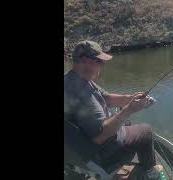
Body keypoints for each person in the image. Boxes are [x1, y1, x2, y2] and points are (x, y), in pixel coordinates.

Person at [64, 40, 164, 179]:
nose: (102, 66)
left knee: (125, 123)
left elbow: (106, 97)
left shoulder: (73, 79)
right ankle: (150, 172)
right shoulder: (82, 92)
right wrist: (129, 110)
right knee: (145, 130)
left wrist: (129, 98)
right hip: (101, 153)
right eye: (100, 61)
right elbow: (101, 136)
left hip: (79, 153)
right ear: (86, 60)